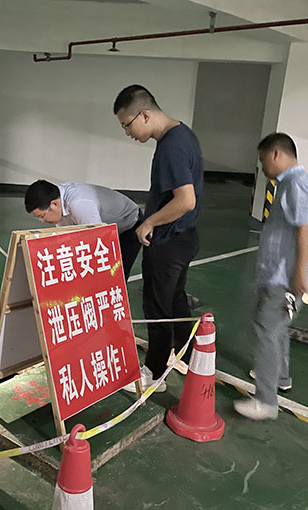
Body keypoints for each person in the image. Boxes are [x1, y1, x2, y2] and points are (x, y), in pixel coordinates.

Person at [113, 85, 204, 392]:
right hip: (184, 238)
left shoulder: (171, 148)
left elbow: (186, 200)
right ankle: (189, 357)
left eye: (127, 125)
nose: (128, 132)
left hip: (168, 242)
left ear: (144, 114)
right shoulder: (183, 135)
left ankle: (153, 374)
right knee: (176, 300)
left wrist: (149, 222)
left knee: (157, 308)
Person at [234, 133, 308, 420]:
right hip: (278, 274)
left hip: (284, 278)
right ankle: (280, 376)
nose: (262, 167)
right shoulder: (289, 184)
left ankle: (266, 401)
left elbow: (306, 228)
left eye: (263, 160)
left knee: (266, 328)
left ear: (275, 154)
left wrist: (299, 274)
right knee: (278, 327)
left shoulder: (297, 184)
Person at [24, 180, 143, 280]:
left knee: (115, 276)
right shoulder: (57, 202)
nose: (42, 221)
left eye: (42, 216)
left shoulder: (80, 203)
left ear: (54, 204)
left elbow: (98, 241)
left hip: (129, 224)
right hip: (104, 227)